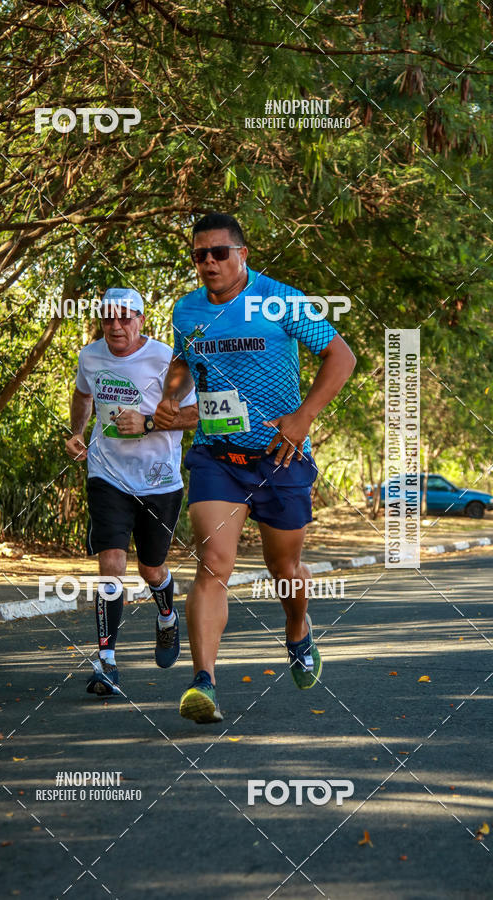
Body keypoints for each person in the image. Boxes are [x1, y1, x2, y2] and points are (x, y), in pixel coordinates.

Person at [154, 212, 356, 723]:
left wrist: (302, 419)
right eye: (199, 254)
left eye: (219, 252)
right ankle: (203, 683)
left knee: (283, 570)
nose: (208, 263)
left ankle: (297, 630)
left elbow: (341, 356)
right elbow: (183, 360)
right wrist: (170, 396)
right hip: (217, 456)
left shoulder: (279, 299)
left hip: (280, 456)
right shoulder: (187, 309)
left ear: (243, 254)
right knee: (213, 565)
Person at [65, 287, 198, 696]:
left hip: (159, 480)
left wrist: (149, 424)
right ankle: (106, 662)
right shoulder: (90, 356)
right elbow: (83, 394)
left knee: (151, 568)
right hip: (107, 474)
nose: (117, 326)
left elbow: (197, 416)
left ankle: (167, 615)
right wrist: (77, 431)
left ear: (142, 319)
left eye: (126, 318)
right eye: (108, 319)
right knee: (112, 564)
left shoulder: (167, 361)